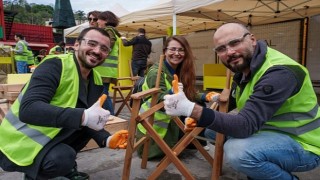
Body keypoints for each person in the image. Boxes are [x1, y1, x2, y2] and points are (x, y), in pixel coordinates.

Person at [163, 23, 320, 180]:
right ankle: (260, 169)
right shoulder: (245, 69)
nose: (230, 52)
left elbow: (244, 125)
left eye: (234, 42)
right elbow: (231, 101)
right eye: (221, 49)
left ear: (252, 39)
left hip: (304, 145)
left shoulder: (278, 73)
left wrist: (192, 109)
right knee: (212, 131)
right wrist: (200, 116)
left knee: (238, 151)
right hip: (269, 131)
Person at [0, 27, 128, 180]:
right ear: (76, 45)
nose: (97, 51)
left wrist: (106, 139)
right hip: (20, 142)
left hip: (49, 136)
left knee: (81, 125)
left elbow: (89, 120)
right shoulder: (55, 65)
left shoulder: (96, 79)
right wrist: (83, 116)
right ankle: (35, 175)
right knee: (62, 157)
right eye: (92, 44)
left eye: (104, 49)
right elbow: (29, 109)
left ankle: (62, 169)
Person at [137, 35, 219, 159]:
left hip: (172, 121)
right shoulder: (156, 72)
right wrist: (171, 91)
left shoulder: (180, 70)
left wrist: (206, 96)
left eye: (181, 50)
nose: (177, 53)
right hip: (155, 131)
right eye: (172, 49)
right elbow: (159, 100)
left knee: (201, 105)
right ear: (165, 51)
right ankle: (191, 141)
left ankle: (192, 141)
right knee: (196, 109)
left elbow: (187, 92)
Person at [94, 11, 122, 115]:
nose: (97, 22)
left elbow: (108, 44)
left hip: (103, 69)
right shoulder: (114, 31)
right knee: (103, 93)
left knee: (103, 94)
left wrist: (99, 52)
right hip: (108, 70)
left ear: (105, 20)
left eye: (99, 19)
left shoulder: (108, 30)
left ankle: (111, 116)